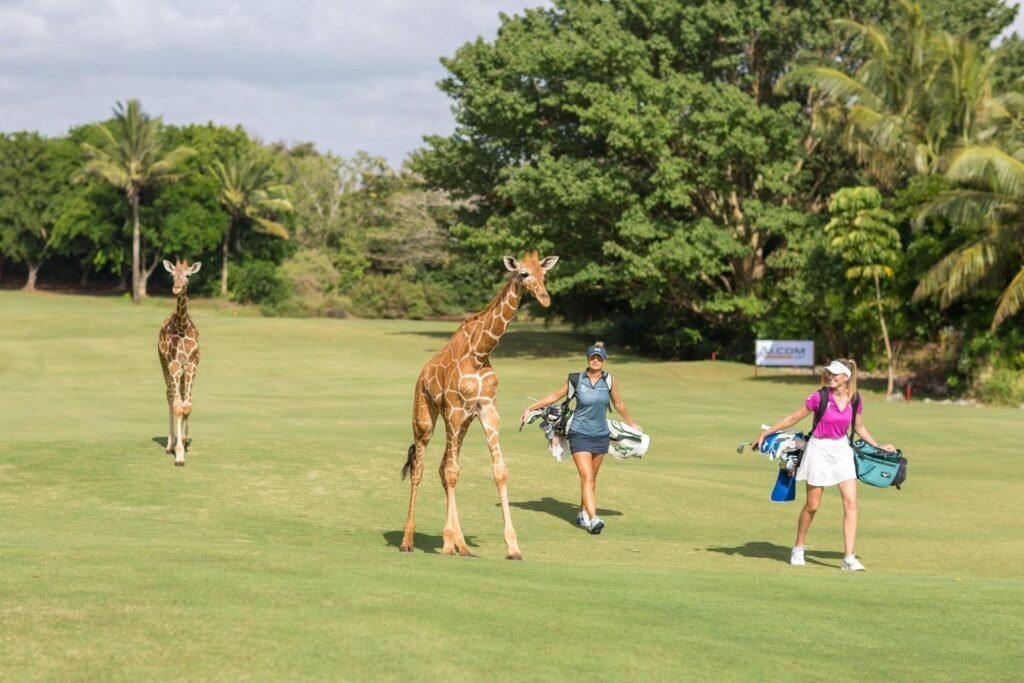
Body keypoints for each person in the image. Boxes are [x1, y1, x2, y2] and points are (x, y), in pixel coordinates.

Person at [752, 359, 895, 571]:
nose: (830, 376)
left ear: (846, 377)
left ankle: (848, 558)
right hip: (818, 450)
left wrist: (878, 447)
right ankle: (798, 547)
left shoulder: (855, 399)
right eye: (829, 372)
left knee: (851, 503)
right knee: (813, 505)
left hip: (842, 451)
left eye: (835, 374)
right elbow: (793, 418)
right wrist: (766, 433)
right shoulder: (819, 397)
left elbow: (859, 427)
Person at [520, 342, 640, 534]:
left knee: (592, 478)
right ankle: (593, 519)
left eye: (599, 358)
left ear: (604, 361)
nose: (595, 361)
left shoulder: (609, 380)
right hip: (579, 433)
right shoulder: (576, 379)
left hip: (601, 435)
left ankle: (583, 512)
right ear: (588, 359)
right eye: (592, 357)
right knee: (586, 477)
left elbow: (618, 404)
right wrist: (530, 408)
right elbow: (555, 396)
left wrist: (631, 423)